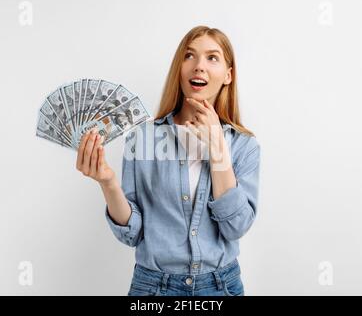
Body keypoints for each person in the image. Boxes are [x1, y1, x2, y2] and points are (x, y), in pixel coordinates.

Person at [76, 26, 261, 296]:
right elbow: (133, 233)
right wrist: (108, 183)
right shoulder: (143, 138)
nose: (199, 66)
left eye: (212, 58)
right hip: (153, 288)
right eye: (189, 56)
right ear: (179, 68)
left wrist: (218, 148)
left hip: (221, 288)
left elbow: (236, 227)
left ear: (228, 75)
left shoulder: (244, 145)